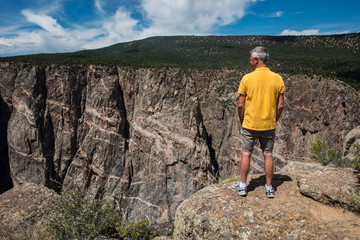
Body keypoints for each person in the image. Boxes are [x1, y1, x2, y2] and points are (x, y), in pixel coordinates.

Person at [231, 46, 285, 198]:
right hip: (269, 124)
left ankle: (242, 186)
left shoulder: (247, 78)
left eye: (250, 59)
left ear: (256, 60)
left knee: (246, 153)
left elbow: (240, 104)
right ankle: (269, 188)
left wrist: (242, 120)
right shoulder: (278, 78)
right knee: (268, 155)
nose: (249, 61)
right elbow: (280, 105)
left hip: (250, 124)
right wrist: (274, 119)